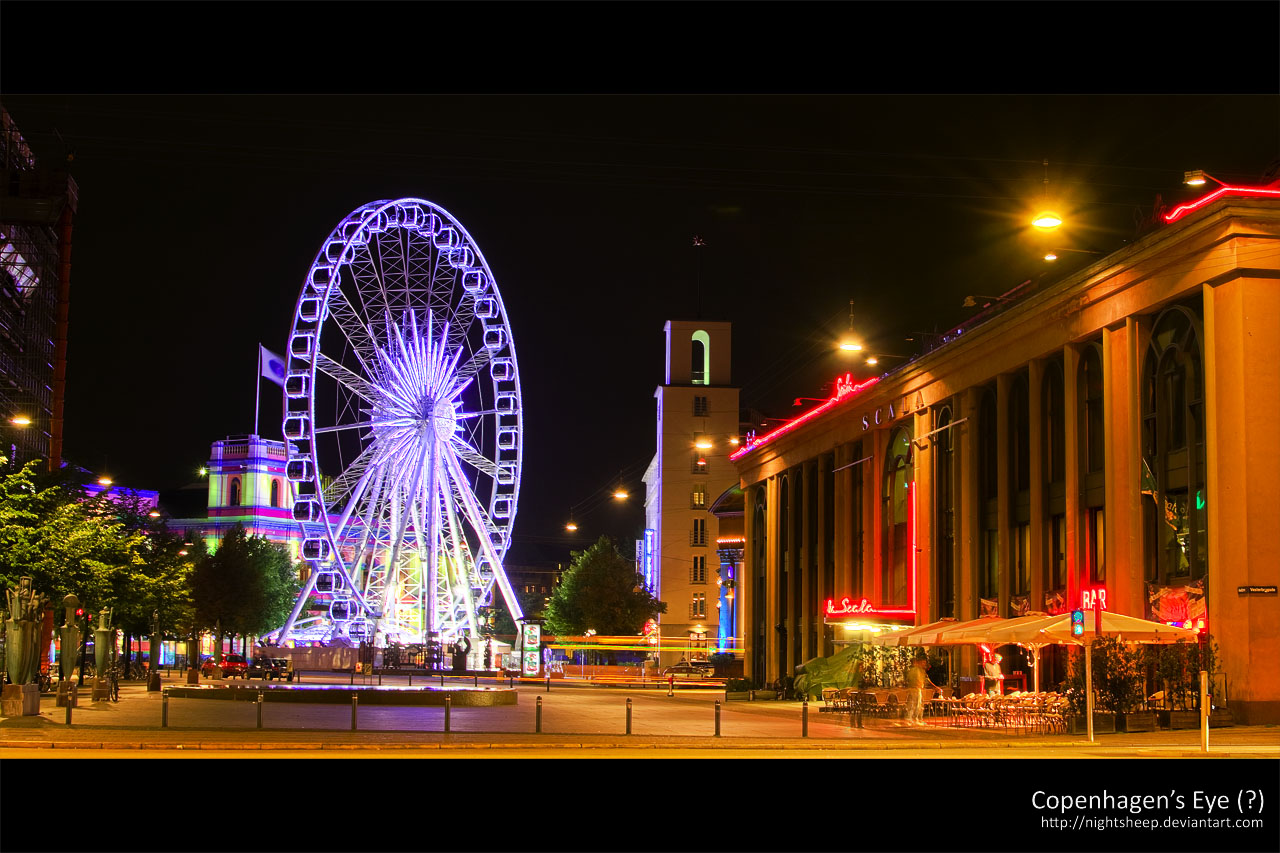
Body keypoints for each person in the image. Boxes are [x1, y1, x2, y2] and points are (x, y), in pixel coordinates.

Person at [904, 654, 939, 726]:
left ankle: (911, 719)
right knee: (916, 705)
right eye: (923, 662)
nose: (924, 664)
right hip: (916, 689)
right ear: (919, 662)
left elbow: (925, 680)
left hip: (915, 689)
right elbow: (926, 680)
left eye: (925, 663)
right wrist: (934, 687)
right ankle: (913, 719)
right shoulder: (917, 670)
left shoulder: (916, 670)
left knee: (914, 704)